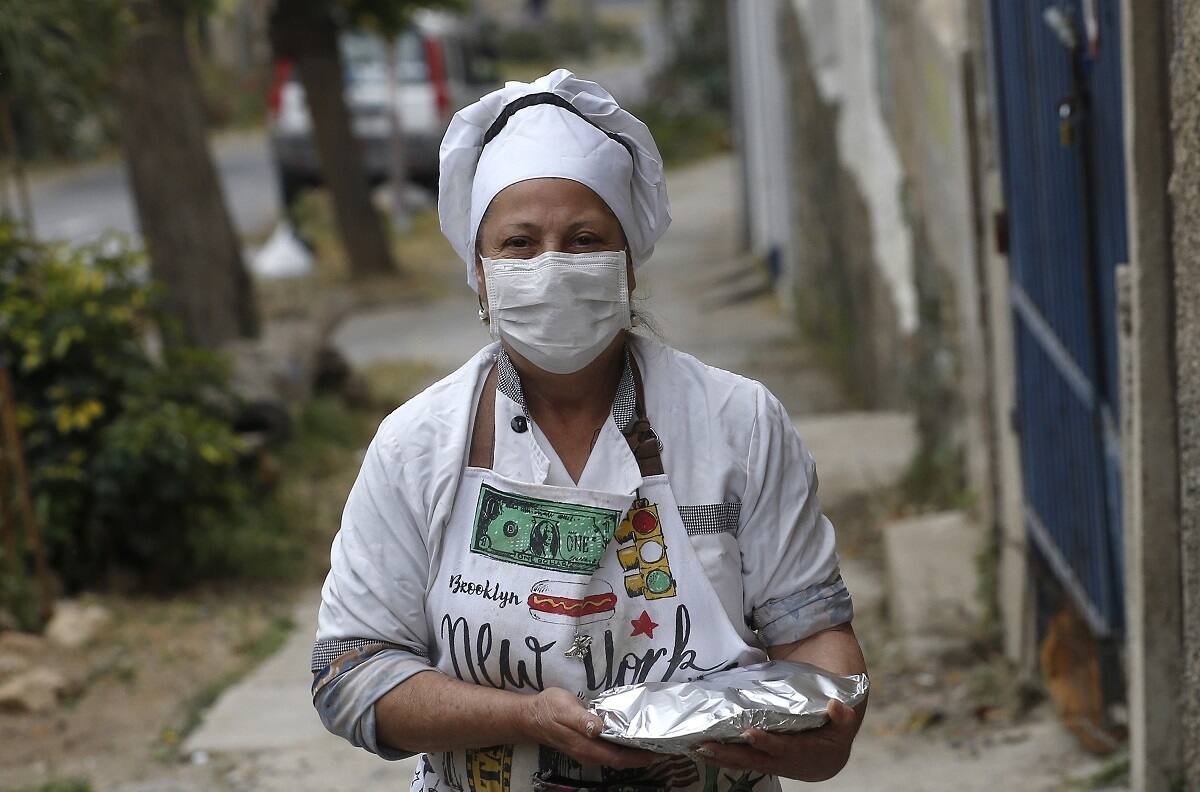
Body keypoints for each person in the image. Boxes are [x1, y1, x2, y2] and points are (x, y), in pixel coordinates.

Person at [311, 69, 868, 791]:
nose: (553, 267)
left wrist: (823, 725)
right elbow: (350, 673)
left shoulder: (737, 422)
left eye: (583, 239)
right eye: (519, 243)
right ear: (480, 276)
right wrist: (520, 719)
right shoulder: (417, 446)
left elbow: (815, 636)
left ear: (628, 265)